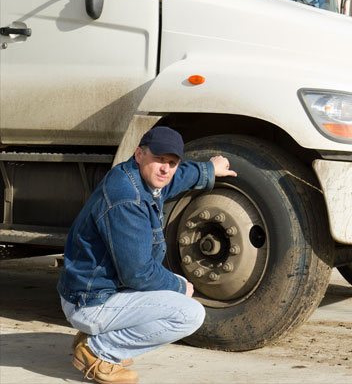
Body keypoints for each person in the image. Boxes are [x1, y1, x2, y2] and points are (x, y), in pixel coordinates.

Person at [57, 126, 237, 384]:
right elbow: (137, 273)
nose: (165, 168)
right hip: (90, 301)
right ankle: (99, 351)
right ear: (139, 154)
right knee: (189, 314)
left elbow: (173, 179)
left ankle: (95, 337)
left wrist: (208, 170)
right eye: (159, 159)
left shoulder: (135, 176)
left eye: (172, 162)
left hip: (93, 290)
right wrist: (178, 285)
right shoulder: (127, 200)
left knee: (170, 286)